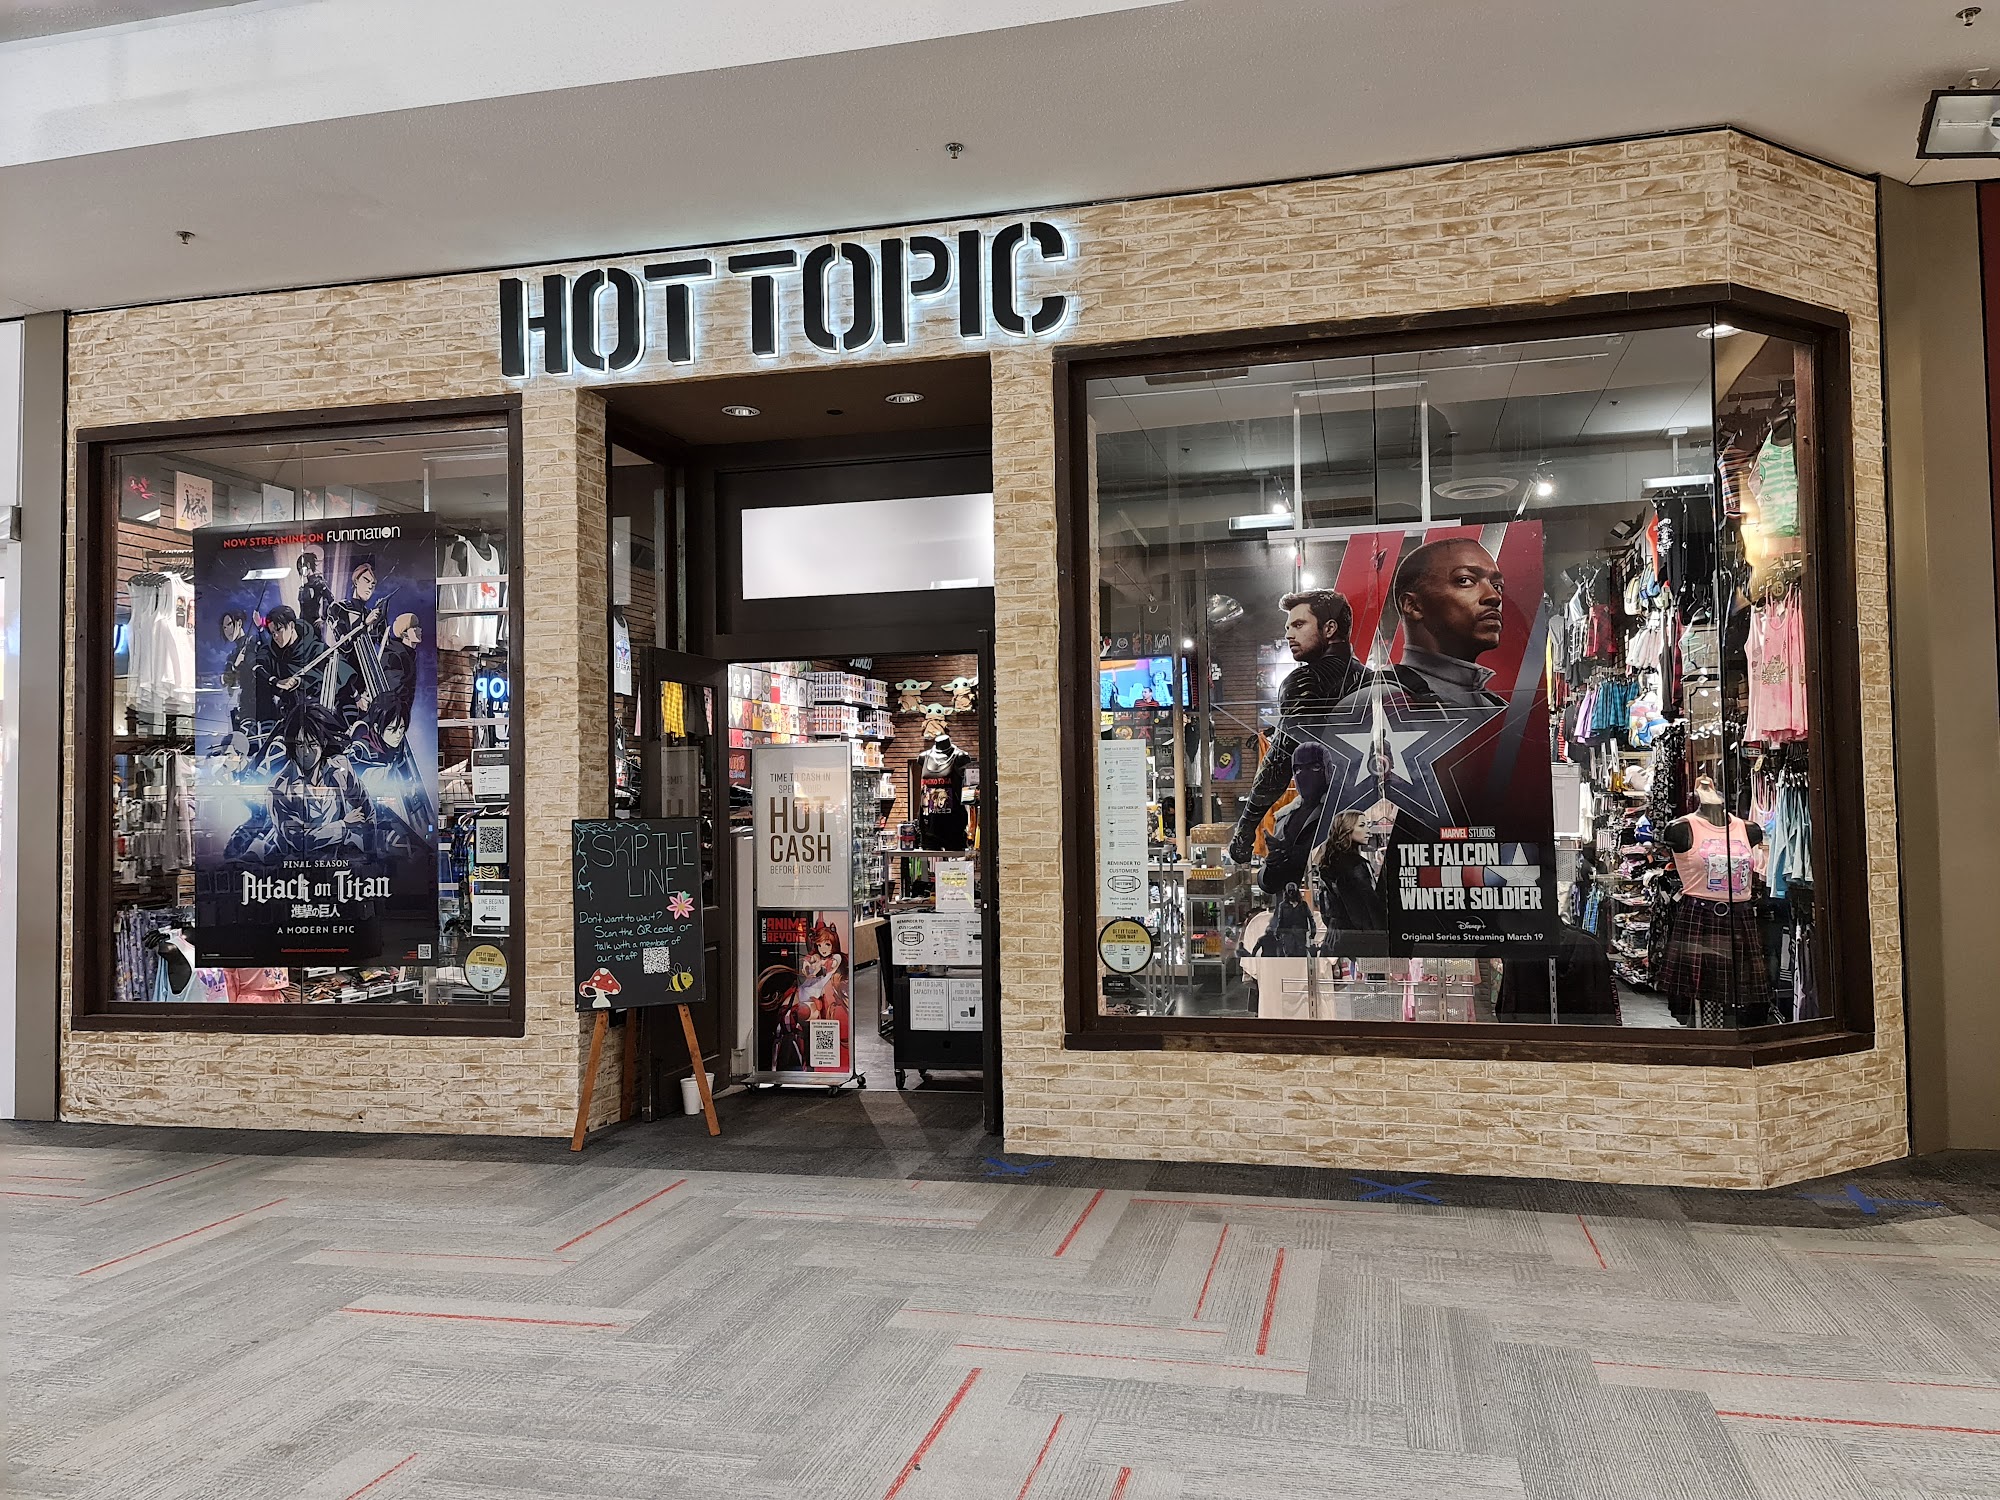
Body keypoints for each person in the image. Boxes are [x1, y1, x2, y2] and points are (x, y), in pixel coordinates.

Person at [1226, 587, 1372, 865]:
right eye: (1288, 627)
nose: (1288, 634)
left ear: (1329, 628)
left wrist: (1245, 831)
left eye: (1299, 624)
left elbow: (1280, 762)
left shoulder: (1304, 681)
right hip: (1367, 811)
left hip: (1322, 819)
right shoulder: (1371, 679)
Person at [1385, 538, 1508, 707]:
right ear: (1413, 606)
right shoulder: (1387, 702)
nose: (1494, 596)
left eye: (1497, 586)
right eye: (1465, 580)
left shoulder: (1493, 704)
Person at [263, 701, 373, 860]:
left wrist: (370, 853)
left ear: (323, 743)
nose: (306, 752)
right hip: (295, 868)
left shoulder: (340, 768)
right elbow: (299, 840)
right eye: (300, 745)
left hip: (338, 862)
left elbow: (367, 809)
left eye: (312, 744)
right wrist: (343, 825)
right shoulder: (279, 788)